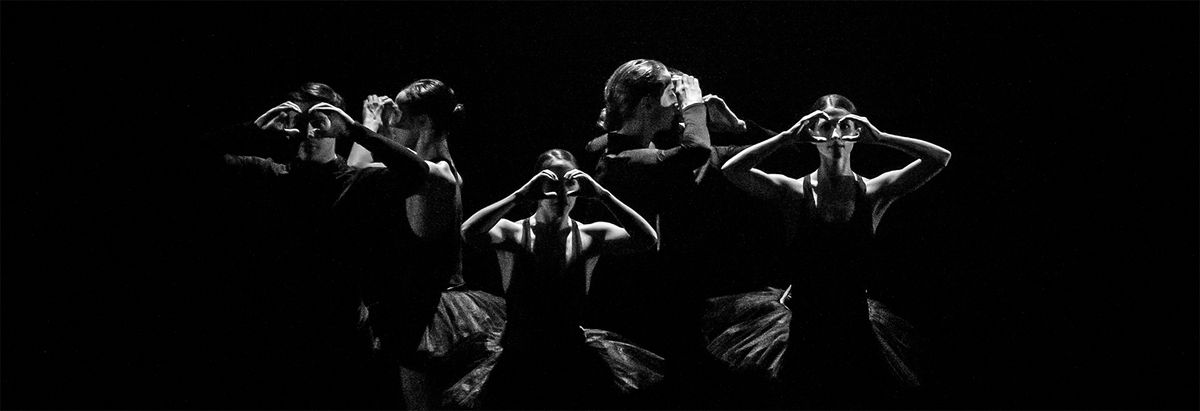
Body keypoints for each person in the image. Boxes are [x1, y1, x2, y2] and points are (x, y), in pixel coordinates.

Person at [199, 82, 434, 409]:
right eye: (300, 121)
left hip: (341, 338)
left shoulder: (359, 182)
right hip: (277, 332)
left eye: (318, 122)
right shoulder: (270, 175)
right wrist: (252, 129)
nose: (307, 132)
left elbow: (418, 173)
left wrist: (355, 130)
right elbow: (196, 158)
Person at [717, 94, 951, 407]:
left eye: (844, 126)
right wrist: (786, 137)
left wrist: (881, 137)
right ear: (812, 133)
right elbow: (732, 170)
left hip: (855, 325)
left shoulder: (875, 191)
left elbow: (940, 158)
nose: (835, 135)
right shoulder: (793, 191)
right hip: (804, 326)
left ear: (857, 132)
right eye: (825, 127)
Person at [454, 149, 662, 409]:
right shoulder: (513, 232)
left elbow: (648, 239)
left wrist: (603, 195)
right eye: (551, 184)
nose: (560, 194)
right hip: (519, 357)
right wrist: (519, 195)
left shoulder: (590, 235)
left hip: (569, 355)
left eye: (569, 183)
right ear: (536, 185)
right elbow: (468, 232)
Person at [342, 79, 483, 409]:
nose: (391, 122)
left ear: (423, 122)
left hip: (426, 313)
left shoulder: (435, 175)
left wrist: (369, 125)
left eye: (397, 114)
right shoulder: (441, 169)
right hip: (431, 307)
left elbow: (353, 175)